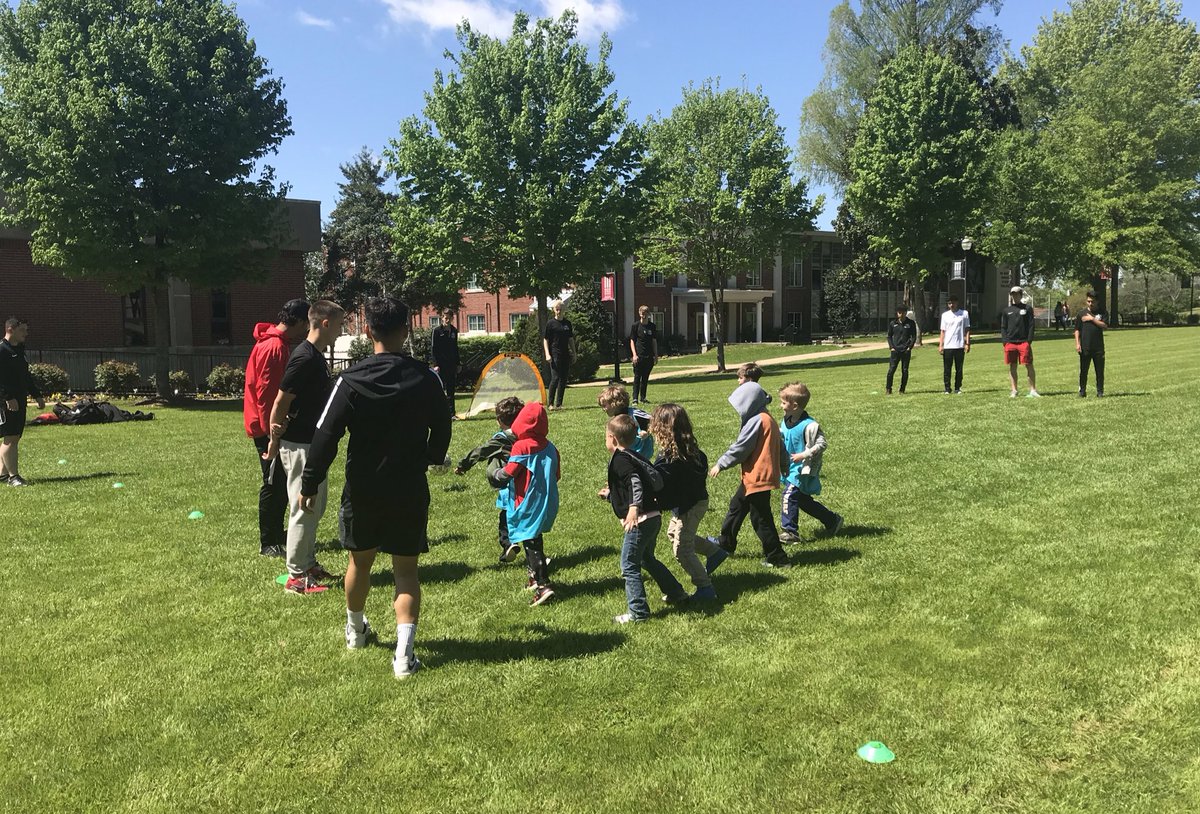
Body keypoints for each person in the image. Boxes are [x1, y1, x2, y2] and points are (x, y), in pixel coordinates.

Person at [299, 296, 451, 679]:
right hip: (408, 487)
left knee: (359, 564)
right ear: (407, 330)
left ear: (367, 331)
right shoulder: (426, 378)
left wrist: (310, 481)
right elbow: (442, 425)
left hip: (363, 488)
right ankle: (404, 656)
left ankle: (355, 631)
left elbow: (324, 435)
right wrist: (432, 456)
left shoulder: (349, 380)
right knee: (406, 572)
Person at [262, 300, 345, 594]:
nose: (340, 331)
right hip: (299, 445)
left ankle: (308, 564)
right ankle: (296, 577)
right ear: (325, 323)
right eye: (339, 325)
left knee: (315, 506)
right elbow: (280, 401)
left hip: (313, 443)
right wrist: (274, 441)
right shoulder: (304, 357)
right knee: (303, 507)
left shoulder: (315, 356)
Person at [606, 413, 688, 623]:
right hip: (653, 517)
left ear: (612, 438)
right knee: (646, 558)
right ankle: (676, 593)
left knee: (629, 564)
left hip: (641, 520)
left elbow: (635, 482)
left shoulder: (620, 460)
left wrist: (634, 508)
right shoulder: (634, 456)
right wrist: (610, 494)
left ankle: (638, 612)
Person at [244, 298, 310, 557]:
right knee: (273, 483)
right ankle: (268, 541)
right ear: (299, 321)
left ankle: (276, 532)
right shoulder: (274, 347)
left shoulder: (274, 343)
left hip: (266, 424)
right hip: (266, 427)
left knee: (280, 482)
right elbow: (267, 394)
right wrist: (273, 433)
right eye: (306, 323)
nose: (307, 329)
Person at [709, 379, 790, 568]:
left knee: (761, 519)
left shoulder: (757, 420)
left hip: (758, 477)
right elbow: (781, 446)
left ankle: (777, 557)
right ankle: (726, 543)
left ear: (750, 402)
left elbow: (741, 448)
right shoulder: (767, 417)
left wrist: (721, 464)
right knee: (737, 506)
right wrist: (784, 464)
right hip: (756, 477)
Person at [649, 403, 726, 600]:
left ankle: (705, 588)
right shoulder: (691, 451)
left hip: (690, 506)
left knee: (682, 550)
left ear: (662, 428)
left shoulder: (671, 458)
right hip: (693, 502)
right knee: (673, 533)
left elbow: (662, 485)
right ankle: (714, 552)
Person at [493, 402, 560, 606]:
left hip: (526, 502)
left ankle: (543, 585)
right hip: (547, 500)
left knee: (531, 543)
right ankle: (533, 577)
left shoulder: (521, 445)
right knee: (533, 537)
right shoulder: (551, 446)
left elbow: (510, 472)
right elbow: (557, 475)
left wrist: (496, 473)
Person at [454, 396, 524, 565]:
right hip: (530, 483)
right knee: (527, 518)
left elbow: (481, 451)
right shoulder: (528, 434)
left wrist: (463, 465)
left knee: (506, 516)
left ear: (499, 420)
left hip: (510, 485)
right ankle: (536, 552)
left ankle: (508, 543)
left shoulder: (501, 438)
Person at [778, 382, 843, 542]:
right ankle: (832, 520)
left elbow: (822, 444)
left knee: (789, 495)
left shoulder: (810, 425)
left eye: (783, 403)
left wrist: (804, 454)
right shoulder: (786, 419)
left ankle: (790, 531)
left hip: (802, 468)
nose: (781, 406)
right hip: (789, 466)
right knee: (802, 500)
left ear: (794, 406)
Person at [0, 318, 46, 487]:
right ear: (10, 329)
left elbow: (25, 376)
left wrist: (37, 395)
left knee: (15, 437)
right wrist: (7, 398)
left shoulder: (19, 350)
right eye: (22, 330)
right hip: (7, 402)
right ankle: (14, 477)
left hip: (19, 400)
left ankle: (2, 474)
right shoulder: (2, 350)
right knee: (10, 437)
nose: (26, 334)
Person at [1000, 286, 1040, 398]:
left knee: (1029, 365)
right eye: (1013, 294)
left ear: (1021, 295)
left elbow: (1031, 325)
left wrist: (1029, 340)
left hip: (1024, 342)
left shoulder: (1027, 308)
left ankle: (1033, 390)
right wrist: (1005, 341)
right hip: (1010, 342)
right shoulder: (1006, 310)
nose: (1015, 296)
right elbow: (1003, 327)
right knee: (1012, 366)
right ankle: (1014, 390)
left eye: (1017, 294)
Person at [597, 385, 653, 460]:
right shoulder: (615, 419)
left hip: (642, 452)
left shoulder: (635, 414)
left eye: (604, 406)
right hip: (628, 453)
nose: (603, 409)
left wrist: (647, 432)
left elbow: (654, 421)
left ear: (614, 403)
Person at [542, 300, 576, 411]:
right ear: (554, 310)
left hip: (565, 354)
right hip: (554, 354)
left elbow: (570, 339)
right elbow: (545, 340)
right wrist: (547, 354)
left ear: (564, 310)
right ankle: (550, 404)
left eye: (560, 309)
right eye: (557, 309)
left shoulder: (567, 324)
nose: (558, 311)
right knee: (555, 378)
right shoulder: (551, 324)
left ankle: (559, 404)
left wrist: (574, 353)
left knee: (563, 379)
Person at [1075, 290, 1108, 398]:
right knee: (1083, 371)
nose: (1090, 303)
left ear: (1097, 301)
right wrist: (1077, 344)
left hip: (1098, 347)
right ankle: (1082, 391)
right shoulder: (1081, 314)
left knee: (1099, 371)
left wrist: (1092, 319)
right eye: (1088, 301)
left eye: (1092, 301)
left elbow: (1104, 326)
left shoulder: (1102, 313)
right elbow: (1077, 330)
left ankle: (1100, 391)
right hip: (1085, 347)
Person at [938, 295, 971, 394]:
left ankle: (957, 387)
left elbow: (967, 329)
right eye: (949, 303)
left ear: (957, 303)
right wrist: (941, 345)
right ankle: (947, 388)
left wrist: (967, 343)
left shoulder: (964, 314)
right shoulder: (945, 315)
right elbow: (943, 331)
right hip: (948, 346)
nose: (951, 305)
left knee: (959, 369)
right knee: (947, 369)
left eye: (953, 303)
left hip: (959, 345)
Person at [628, 305, 659, 405]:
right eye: (642, 313)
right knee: (637, 377)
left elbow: (654, 341)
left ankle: (643, 398)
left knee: (645, 378)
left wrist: (656, 355)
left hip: (649, 356)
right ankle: (635, 399)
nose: (643, 315)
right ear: (639, 313)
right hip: (638, 356)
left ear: (648, 314)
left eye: (645, 313)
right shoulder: (635, 326)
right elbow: (632, 341)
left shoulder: (652, 326)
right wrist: (634, 355)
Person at [885, 305, 917, 394]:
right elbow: (889, 336)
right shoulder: (893, 323)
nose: (901, 314)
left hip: (906, 350)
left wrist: (909, 347)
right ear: (897, 313)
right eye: (899, 312)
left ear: (906, 313)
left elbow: (914, 336)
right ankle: (888, 389)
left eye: (903, 312)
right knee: (891, 370)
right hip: (895, 350)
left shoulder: (910, 323)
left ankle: (902, 389)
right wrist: (891, 347)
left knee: (905, 370)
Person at [431, 310, 460, 407]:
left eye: (449, 318)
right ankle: (439, 411)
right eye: (445, 318)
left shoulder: (454, 331)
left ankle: (452, 412)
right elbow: (434, 348)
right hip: (440, 366)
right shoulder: (437, 331)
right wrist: (435, 364)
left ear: (452, 319)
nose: (447, 320)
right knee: (439, 390)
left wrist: (458, 363)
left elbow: (455, 348)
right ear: (442, 318)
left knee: (451, 391)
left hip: (451, 365)